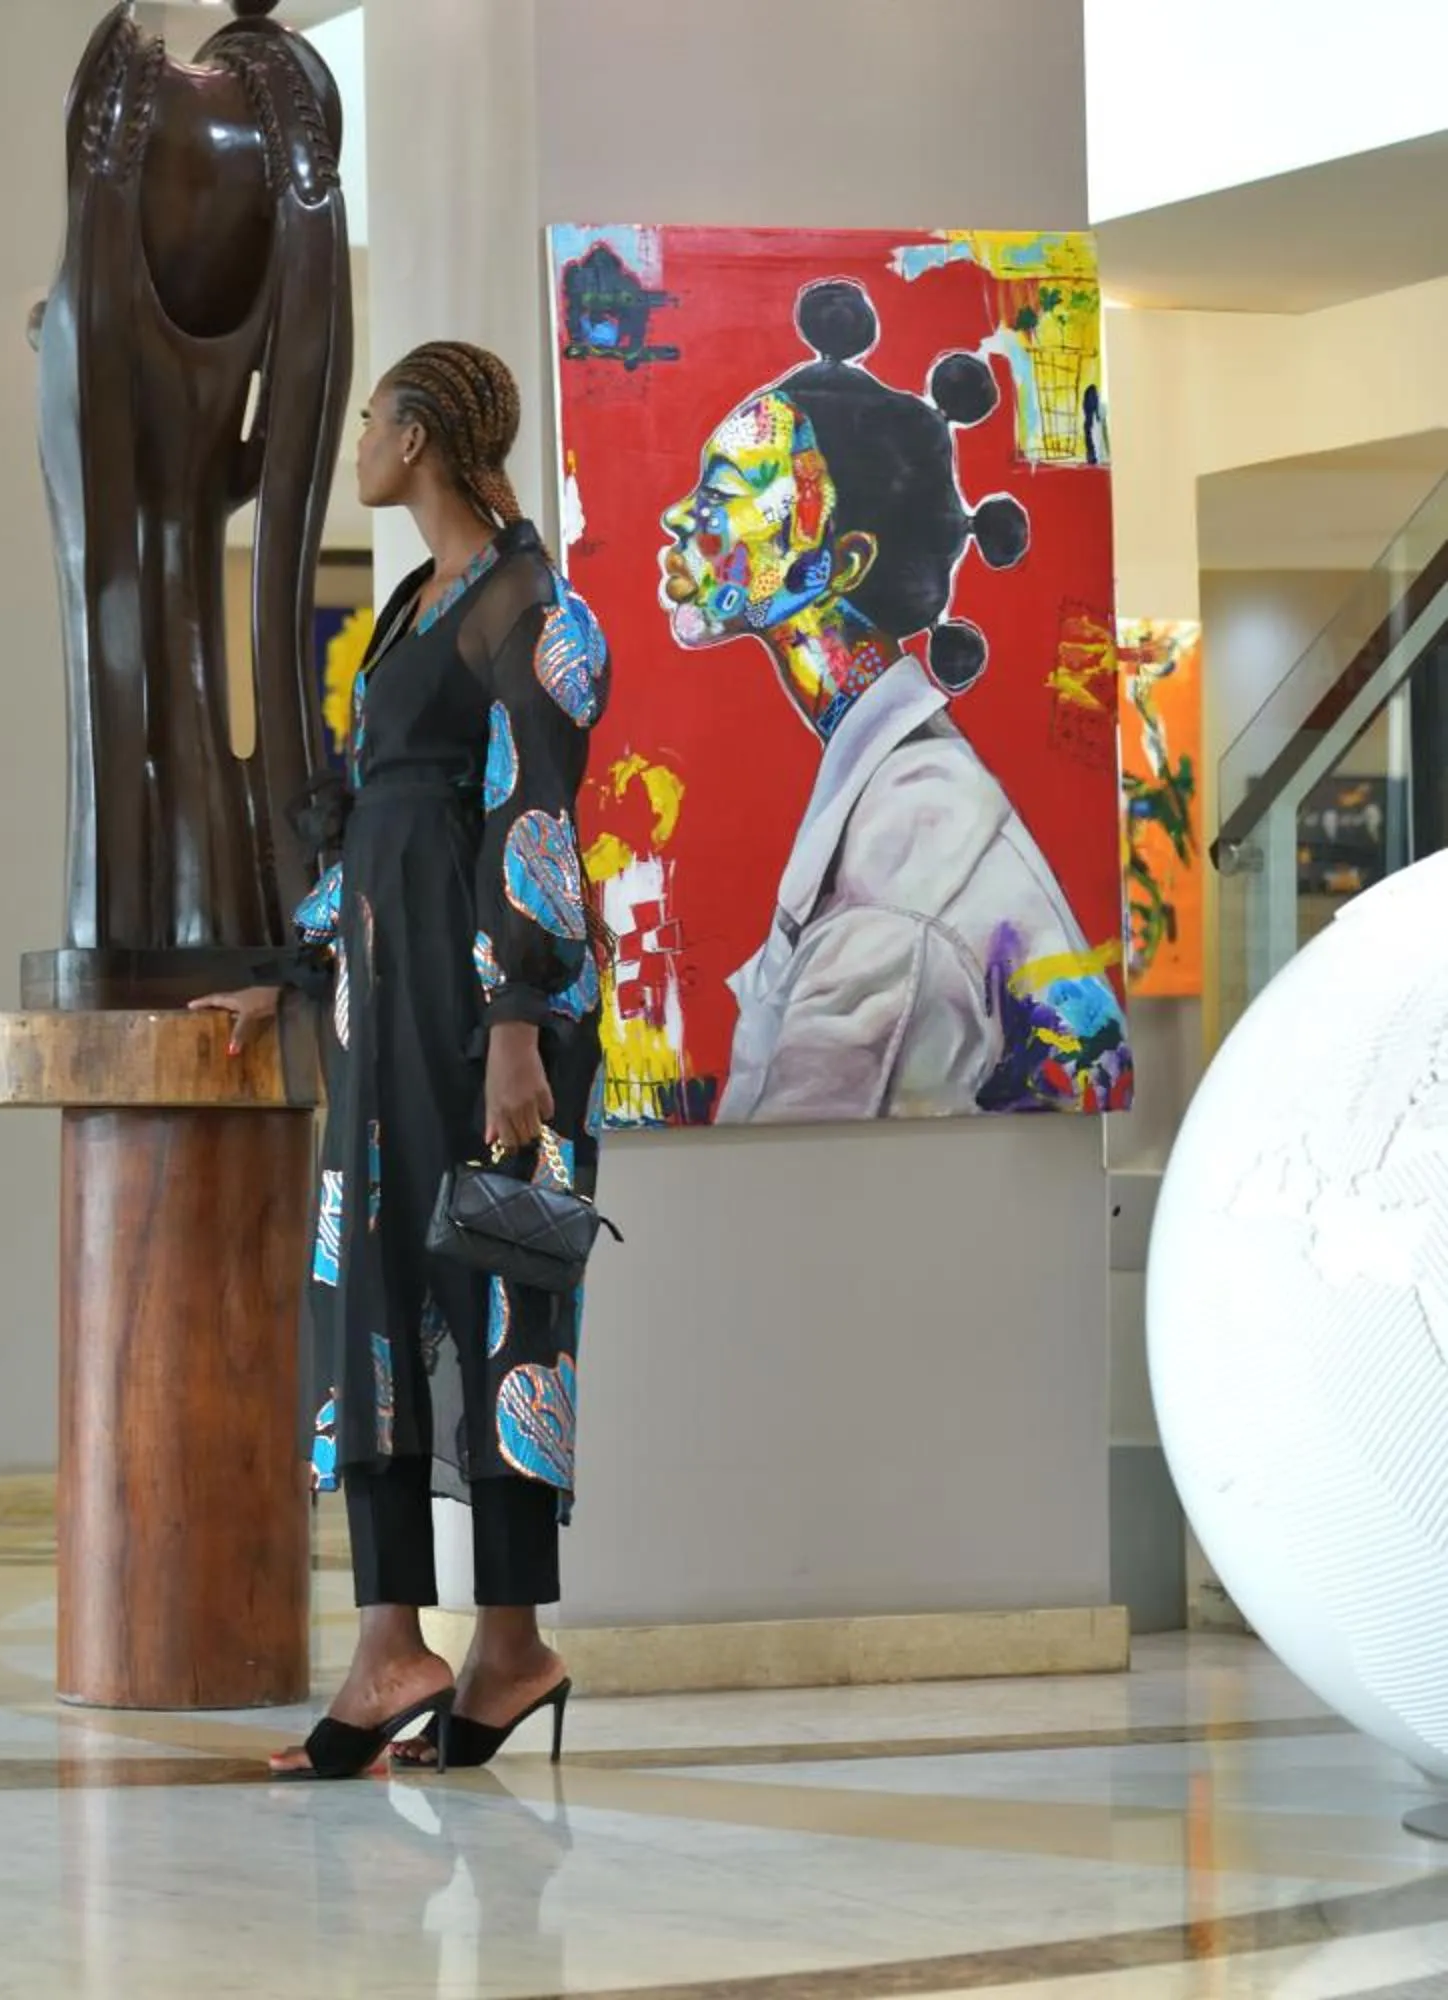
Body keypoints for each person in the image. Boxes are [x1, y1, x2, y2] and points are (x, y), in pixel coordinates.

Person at [197, 343, 605, 1778]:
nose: (360, 440)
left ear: (419, 436)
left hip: (486, 1017)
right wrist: (289, 970)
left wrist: (517, 1029)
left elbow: (536, 819)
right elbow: (384, 818)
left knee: (501, 1300)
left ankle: (502, 1646)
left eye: (373, 418)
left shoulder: (533, 608)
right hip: (383, 1007)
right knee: (369, 1288)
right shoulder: (416, 605)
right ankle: (412, 1648)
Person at [656, 278, 1127, 1122]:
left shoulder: (904, 862)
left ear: (837, 565)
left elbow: (806, 1162)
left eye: (720, 495)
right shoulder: (900, 790)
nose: (677, 517)